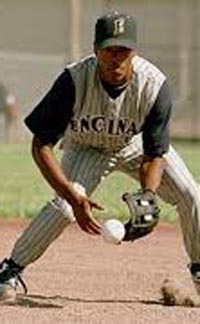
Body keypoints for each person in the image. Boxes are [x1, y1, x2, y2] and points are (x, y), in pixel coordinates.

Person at [0, 12, 200, 303]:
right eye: (109, 49)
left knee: (191, 193)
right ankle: (9, 271)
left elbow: (155, 152)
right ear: (95, 49)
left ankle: (198, 270)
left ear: (135, 52)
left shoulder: (155, 85)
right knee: (64, 208)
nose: (116, 57)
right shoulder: (73, 80)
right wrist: (72, 195)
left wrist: (148, 195)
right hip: (86, 147)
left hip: (134, 145)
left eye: (124, 50)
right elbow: (41, 145)